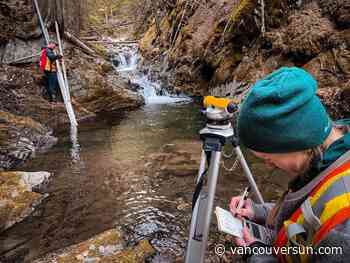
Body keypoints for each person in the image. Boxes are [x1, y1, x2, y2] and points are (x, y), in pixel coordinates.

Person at [230, 67, 350, 262]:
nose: (269, 166)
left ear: (296, 143)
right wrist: (258, 212)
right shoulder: (326, 154)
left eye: (269, 158)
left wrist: (255, 254)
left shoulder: (343, 223)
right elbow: (307, 217)